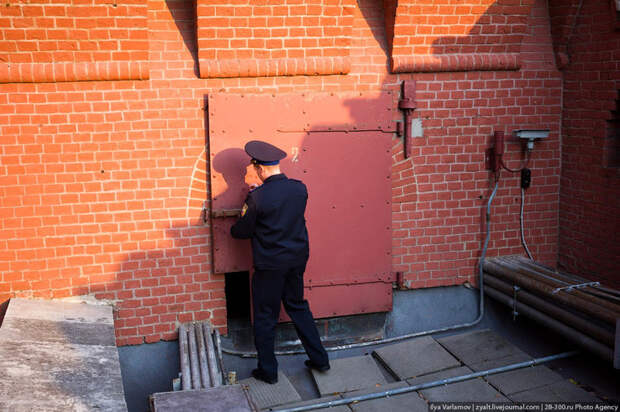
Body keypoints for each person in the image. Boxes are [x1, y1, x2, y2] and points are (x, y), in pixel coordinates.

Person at [231, 140, 330, 384]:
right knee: (298, 306)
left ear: (261, 169)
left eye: (252, 169)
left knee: (265, 316)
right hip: (296, 260)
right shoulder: (299, 189)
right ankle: (320, 360)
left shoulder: (257, 198)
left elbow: (241, 232)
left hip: (270, 265)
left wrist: (250, 200)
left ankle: (268, 371)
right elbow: (283, 213)